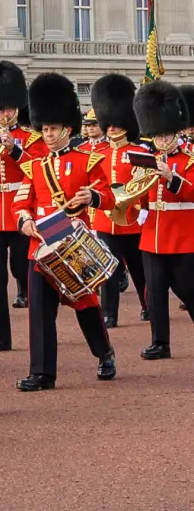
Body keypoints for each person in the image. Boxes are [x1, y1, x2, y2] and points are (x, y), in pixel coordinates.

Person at [13, 72, 116, 391]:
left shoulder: (87, 160)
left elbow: (110, 196)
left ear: (67, 129)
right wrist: (24, 221)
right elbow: (20, 203)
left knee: (85, 305)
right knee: (40, 312)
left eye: (53, 129)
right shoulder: (34, 165)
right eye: (44, 129)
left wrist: (93, 197)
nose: (47, 134)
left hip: (73, 243)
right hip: (40, 245)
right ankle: (43, 373)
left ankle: (104, 352)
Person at [0, 61, 43, 353]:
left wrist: (14, 149)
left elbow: (38, 171)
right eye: (0, 109)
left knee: (24, 272)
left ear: (17, 107)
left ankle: (37, 332)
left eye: (8, 108)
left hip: (20, 212)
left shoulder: (32, 139)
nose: (4, 113)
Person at [133, 80, 194, 361]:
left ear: (176, 132)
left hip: (183, 235)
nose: (161, 140)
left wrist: (171, 178)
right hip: (153, 233)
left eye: (166, 135)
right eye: (157, 136)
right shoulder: (147, 158)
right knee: (154, 293)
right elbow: (140, 195)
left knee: (188, 289)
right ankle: (160, 342)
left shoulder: (190, 159)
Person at [89, 74, 149, 329]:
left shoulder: (140, 152)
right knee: (109, 271)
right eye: (108, 123)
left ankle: (149, 306)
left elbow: (145, 186)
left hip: (133, 220)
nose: (111, 128)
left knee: (140, 271)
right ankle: (109, 314)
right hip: (106, 220)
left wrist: (144, 211)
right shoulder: (96, 153)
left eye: (116, 123)